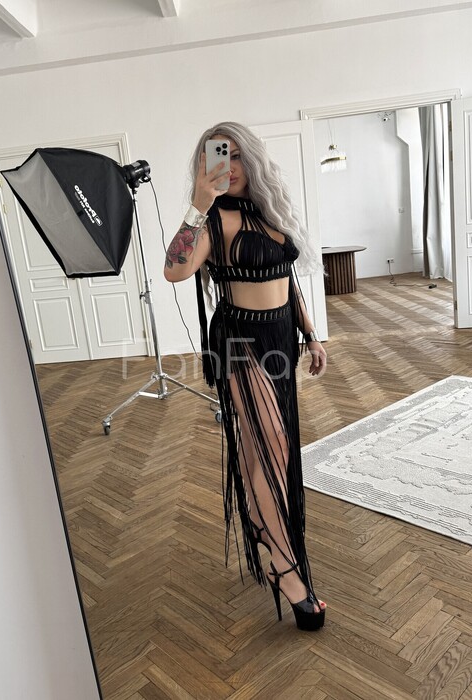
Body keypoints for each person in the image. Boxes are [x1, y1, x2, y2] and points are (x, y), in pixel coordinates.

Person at [164, 122, 327, 631]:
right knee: (272, 440)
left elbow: (288, 280)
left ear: (251, 159)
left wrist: (311, 334)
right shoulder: (212, 222)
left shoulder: (267, 212)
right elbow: (174, 270)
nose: (228, 165)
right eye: (218, 156)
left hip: (281, 338)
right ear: (204, 166)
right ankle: (286, 567)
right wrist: (198, 204)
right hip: (239, 340)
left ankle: (261, 524)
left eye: (236, 155)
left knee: (263, 446)